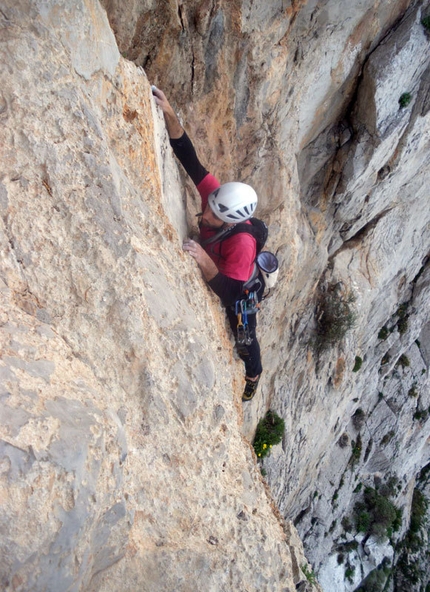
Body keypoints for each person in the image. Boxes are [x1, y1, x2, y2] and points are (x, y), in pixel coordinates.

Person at [152, 86, 264, 401]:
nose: (206, 212)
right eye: (210, 205)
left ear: (230, 222)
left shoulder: (241, 244)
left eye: (215, 215)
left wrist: (202, 257)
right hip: (225, 266)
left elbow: (229, 291)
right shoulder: (217, 199)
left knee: (243, 333)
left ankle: (254, 373)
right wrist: (170, 114)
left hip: (241, 286)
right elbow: (190, 159)